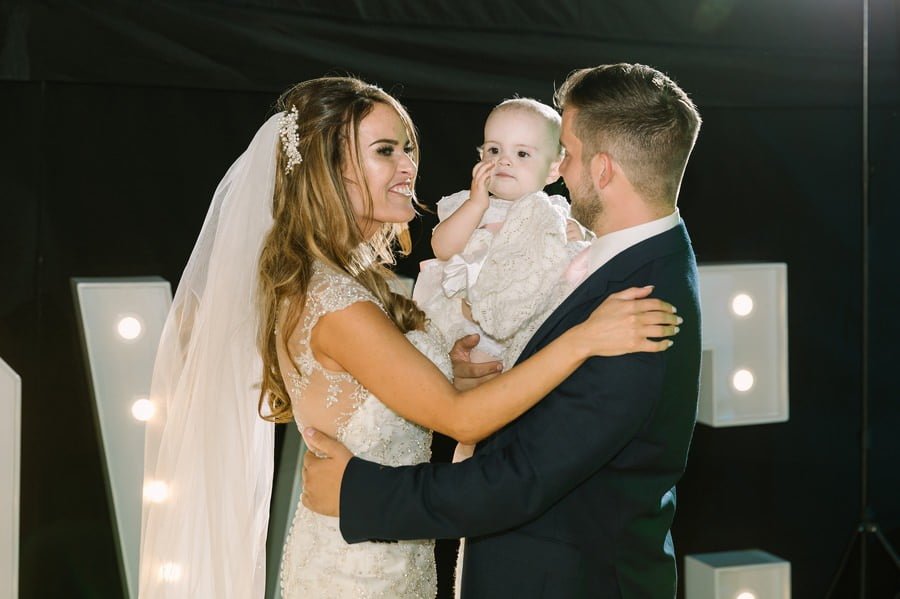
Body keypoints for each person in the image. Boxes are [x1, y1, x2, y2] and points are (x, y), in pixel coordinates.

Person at [138, 75, 682, 598]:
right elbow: (459, 421)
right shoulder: (335, 302)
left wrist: (455, 374)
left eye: (406, 147)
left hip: (393, 553)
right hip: (358, 571)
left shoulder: (342, 281)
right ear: (329, 171)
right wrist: (585, 339)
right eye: (385, 151)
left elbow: (403, 394)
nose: (409, 165)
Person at [301, 63, 703, 598]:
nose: (560, 164)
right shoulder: (622, 266)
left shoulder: (639, 306)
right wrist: (463, 374)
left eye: (570, 153)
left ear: (602, 170)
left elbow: (522, 480)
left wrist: (360, 494)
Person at [413, 98, 591, 371]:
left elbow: (573, 272)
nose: (504, 161)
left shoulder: (557, 215)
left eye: (522, 154)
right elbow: (443, 249)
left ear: (555, 168)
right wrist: (476, 205)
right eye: (494, 150)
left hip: (520, 324)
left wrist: (579, 238)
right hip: (461, 320)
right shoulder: (471, 205)